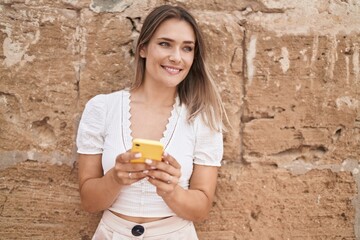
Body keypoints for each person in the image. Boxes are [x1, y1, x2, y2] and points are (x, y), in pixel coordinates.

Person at [76, 4, 227, 240]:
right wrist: (116, 177)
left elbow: (201, 208)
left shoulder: (202, 117)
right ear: (143, 48)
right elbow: (89, 201)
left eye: (187, 48)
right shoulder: (102, 108)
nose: (176, 57)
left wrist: (171, 190)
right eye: (165, 44)